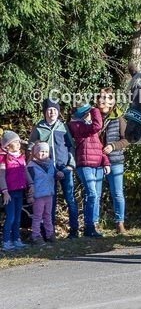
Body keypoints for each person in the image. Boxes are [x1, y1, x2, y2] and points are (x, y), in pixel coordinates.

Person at [29, 98, 78, 238]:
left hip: (64, 168)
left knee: (70, 198)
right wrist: (34, 164)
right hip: (46, 171)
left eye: (55, 110)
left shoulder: (63, 127)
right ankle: (49, 233)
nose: (52, 112)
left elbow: (71, 146)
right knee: (49, 201)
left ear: (58, 112)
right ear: (45, 112)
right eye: (49, 110)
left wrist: (70, 165)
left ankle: (74, 230)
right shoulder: (38, 128)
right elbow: (31, 147)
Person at [69, 102, 110, 238]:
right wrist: (95, 109)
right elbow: (97, 125)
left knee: (94, 196)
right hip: (85, 164)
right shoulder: (77, 126)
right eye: (88, 112)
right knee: (92, 194)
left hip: (97, 165)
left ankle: (90, 226)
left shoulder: (89, 127)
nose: (90, 114)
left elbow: (99, 147)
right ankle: (89, 226)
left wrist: (106, 162)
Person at [97, 88, 130, 235]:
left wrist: (113, 146)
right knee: (95, 194)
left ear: (112, 102)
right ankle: (94, 224)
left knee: (117, 193)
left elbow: (127, 139)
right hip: (96, 161)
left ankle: (119, 223)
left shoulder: (119, 118)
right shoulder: (92, 117)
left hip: (115, 161)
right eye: (100, 98)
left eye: (106, 98)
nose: (102, 101)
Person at [1, 131, 31, 250]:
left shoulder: (21, 157)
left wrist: (31, 184)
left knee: (18, 216)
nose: (18, 144)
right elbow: (1, 176)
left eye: (19, 142)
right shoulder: (3, 158)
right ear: (7, 145)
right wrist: (5, 191)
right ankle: (6, 241)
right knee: (11, 217)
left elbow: (25, 171)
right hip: (9, 192)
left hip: (20, 190)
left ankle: (16, 238)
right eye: (15, 142)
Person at [27, 142, 56, 244]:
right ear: (35, 153)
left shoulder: (51, 164)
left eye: (46, 152)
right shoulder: (31, 166)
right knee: (37, 216)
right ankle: (35, 235)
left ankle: (49, 234)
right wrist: (30, 196)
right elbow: (29, 183)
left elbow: (53, 175)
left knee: (48, 215)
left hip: (49, 194)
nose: (44, 154)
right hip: (38, 196)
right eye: (41, 151)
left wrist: (59, 174)